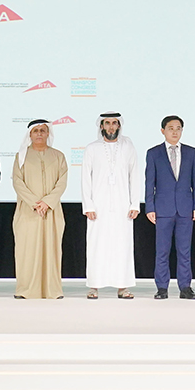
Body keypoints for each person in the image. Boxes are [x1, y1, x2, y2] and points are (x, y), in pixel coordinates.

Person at [80, 112, 140, 299]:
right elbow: (85, 178)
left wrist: (134, 204)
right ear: (101, 126)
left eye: (114, 123)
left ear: (119, 125)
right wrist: (88, 205)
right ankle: (94, 286)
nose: (111, 127)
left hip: (123, 205)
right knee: (97, 245)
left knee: (122, 245)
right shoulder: (92, 148)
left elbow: (134, 176)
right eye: (107, 123)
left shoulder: (128, 147)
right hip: (98, 206)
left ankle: (123, 287)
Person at [144, 115, 195, 300]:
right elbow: (149, 183)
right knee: (162, 251)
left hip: (185, 208)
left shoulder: (191, 152)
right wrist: (149, 207)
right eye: (171, 128)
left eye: (178, 128)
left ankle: (185, 287)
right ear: (163, 131)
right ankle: (162, 288)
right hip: (162, 209)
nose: (175, 132)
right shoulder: (153, 153)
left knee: (184, 251)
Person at [12, 119, 68, 299]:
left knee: (51, 251)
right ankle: (26, 290)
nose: (39, 134)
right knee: (27, 251)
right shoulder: (21, 156)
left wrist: (47, 202)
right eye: (35, 131)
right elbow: (17, 182)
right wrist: (35, 203)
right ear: (30, 134)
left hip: (51, 211)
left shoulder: (58, 156)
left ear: (48, 133)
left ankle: (52, 290)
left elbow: (62, 182)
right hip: (28, 211)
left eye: (42, 130)